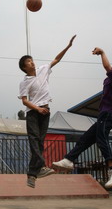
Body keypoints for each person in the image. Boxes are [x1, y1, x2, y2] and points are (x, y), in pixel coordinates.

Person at [53, 47, 112, 189]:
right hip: (105, 115)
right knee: (87, 138)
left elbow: (107, 67)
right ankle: (69, 159)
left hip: (108, 115)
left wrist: (102, 52)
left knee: (101, 138)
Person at [19, 35, 76, 188]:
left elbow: (56, 59)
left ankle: (32, 175)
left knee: (39, 142)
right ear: (24, 67)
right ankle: (41, 167)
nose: (32, 62)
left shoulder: (43, 69)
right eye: (29, 61)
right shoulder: (24, 82)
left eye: (32, 60)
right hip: (33, 113)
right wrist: (37, 108)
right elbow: (24, 100)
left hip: (46, 110)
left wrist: (68, 46)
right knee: (34, 140)